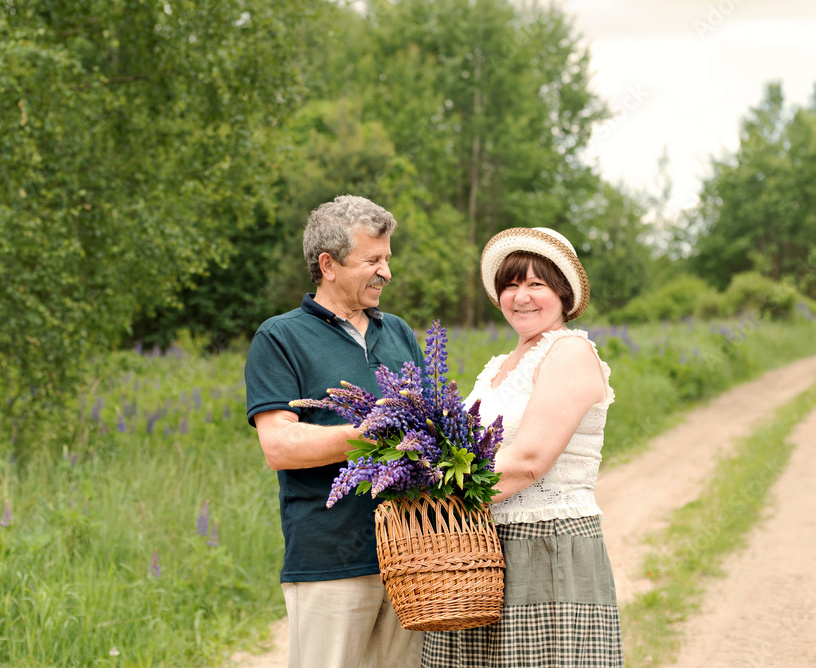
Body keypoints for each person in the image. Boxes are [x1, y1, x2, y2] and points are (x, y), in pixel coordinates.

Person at [421, 227, 624, 667]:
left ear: (564, 294)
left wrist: (438, 500)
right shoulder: (495, 367)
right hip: (479, 550)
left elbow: (529, 461)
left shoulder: (570, 352)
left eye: (537, 284)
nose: (521, 296)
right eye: (511, 284)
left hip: (545, 543)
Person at [245, 195, 426, 668]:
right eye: (373, 259)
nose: (387, 271)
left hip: (411, 556)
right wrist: (373, 432)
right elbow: (279, 445)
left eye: (387, 258)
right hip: (330, 560)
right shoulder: (280, 337)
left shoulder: (400, 333)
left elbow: (430, 429)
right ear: (328, 264)